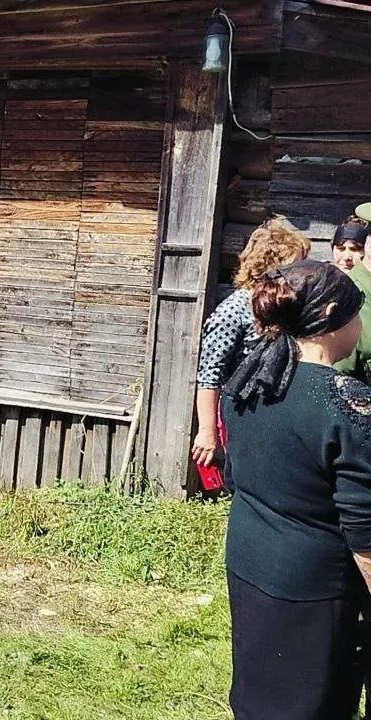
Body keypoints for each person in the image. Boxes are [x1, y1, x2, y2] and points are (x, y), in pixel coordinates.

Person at [219, 259, 371, 719]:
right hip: (314, 586)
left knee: (259, 696)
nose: (361, 325)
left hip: (249, 560)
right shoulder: (345, 402)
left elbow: (236, 476)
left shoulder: (249, 382)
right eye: (357, 313)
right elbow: (364, 531)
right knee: (311, 705)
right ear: (331, 316)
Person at [190, 219, 310, 472]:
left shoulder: (283, 308)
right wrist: (207, 432)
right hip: (241, 413)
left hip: (272, 412)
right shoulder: (233, 311)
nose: (299, 273)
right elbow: (209, 375)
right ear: (271, 266)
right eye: (294, 265)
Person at [335, 212, 371, 382]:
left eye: (355, 249)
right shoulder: (346, 295)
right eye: (340, 248)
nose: (347, 257)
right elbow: (338, 376)